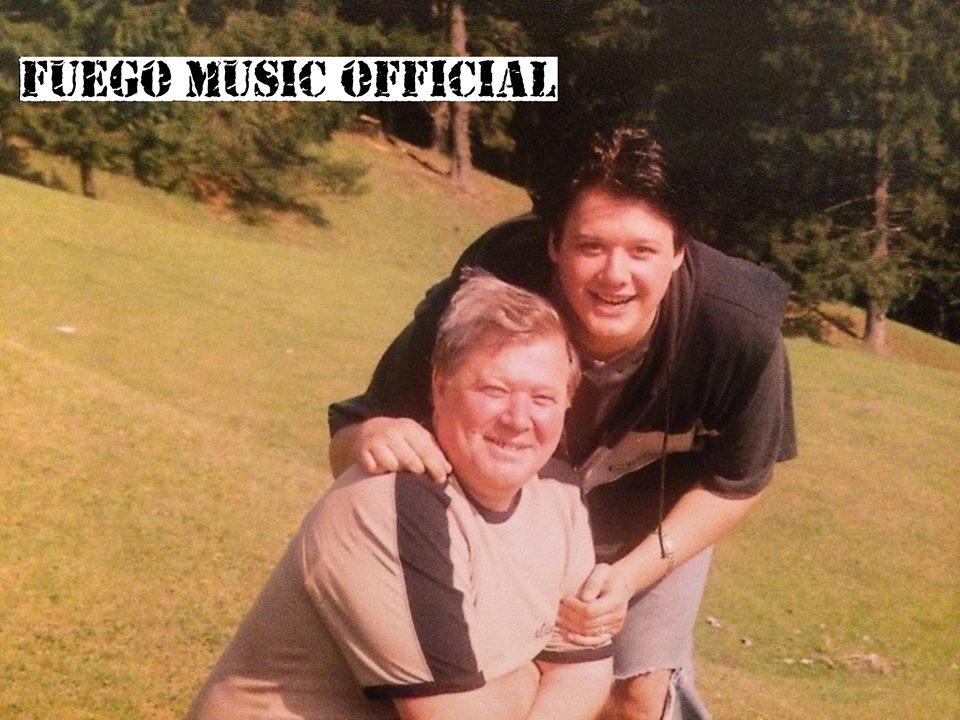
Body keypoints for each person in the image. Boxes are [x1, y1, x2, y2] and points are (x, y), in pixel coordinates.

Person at [328, 127, 797, 720]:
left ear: (681, 252)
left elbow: (737, 483)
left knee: (636, 696)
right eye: (591, 246)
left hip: (652, 521)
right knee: (505, 678)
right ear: (554, 244)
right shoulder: (489, 288)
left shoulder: (739, 326)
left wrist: (628, 578)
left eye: (643, 251)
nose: (615, 275)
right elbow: (355, 434)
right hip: (512, 507)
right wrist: (370, 438)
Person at [186, 272, 613, 720]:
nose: (518, 419)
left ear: (568, 402)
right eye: (494, 390)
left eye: (543, 398)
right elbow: (452, 716)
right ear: (439, 387)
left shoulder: (558, 493)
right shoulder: (397, 505)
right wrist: (526, 680)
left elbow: (583, 669)